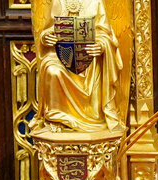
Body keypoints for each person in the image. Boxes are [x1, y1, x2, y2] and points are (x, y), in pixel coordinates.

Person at [35, 0, 125, 132]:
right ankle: (57, 117)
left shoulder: (96, 2)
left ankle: (94, 116)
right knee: (51, 69)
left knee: (94, 67)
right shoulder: (58, 1)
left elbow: (106, 34)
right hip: (62, 58)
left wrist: (101, 46)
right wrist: (46, 37)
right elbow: (48, 30)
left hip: (90, 61)